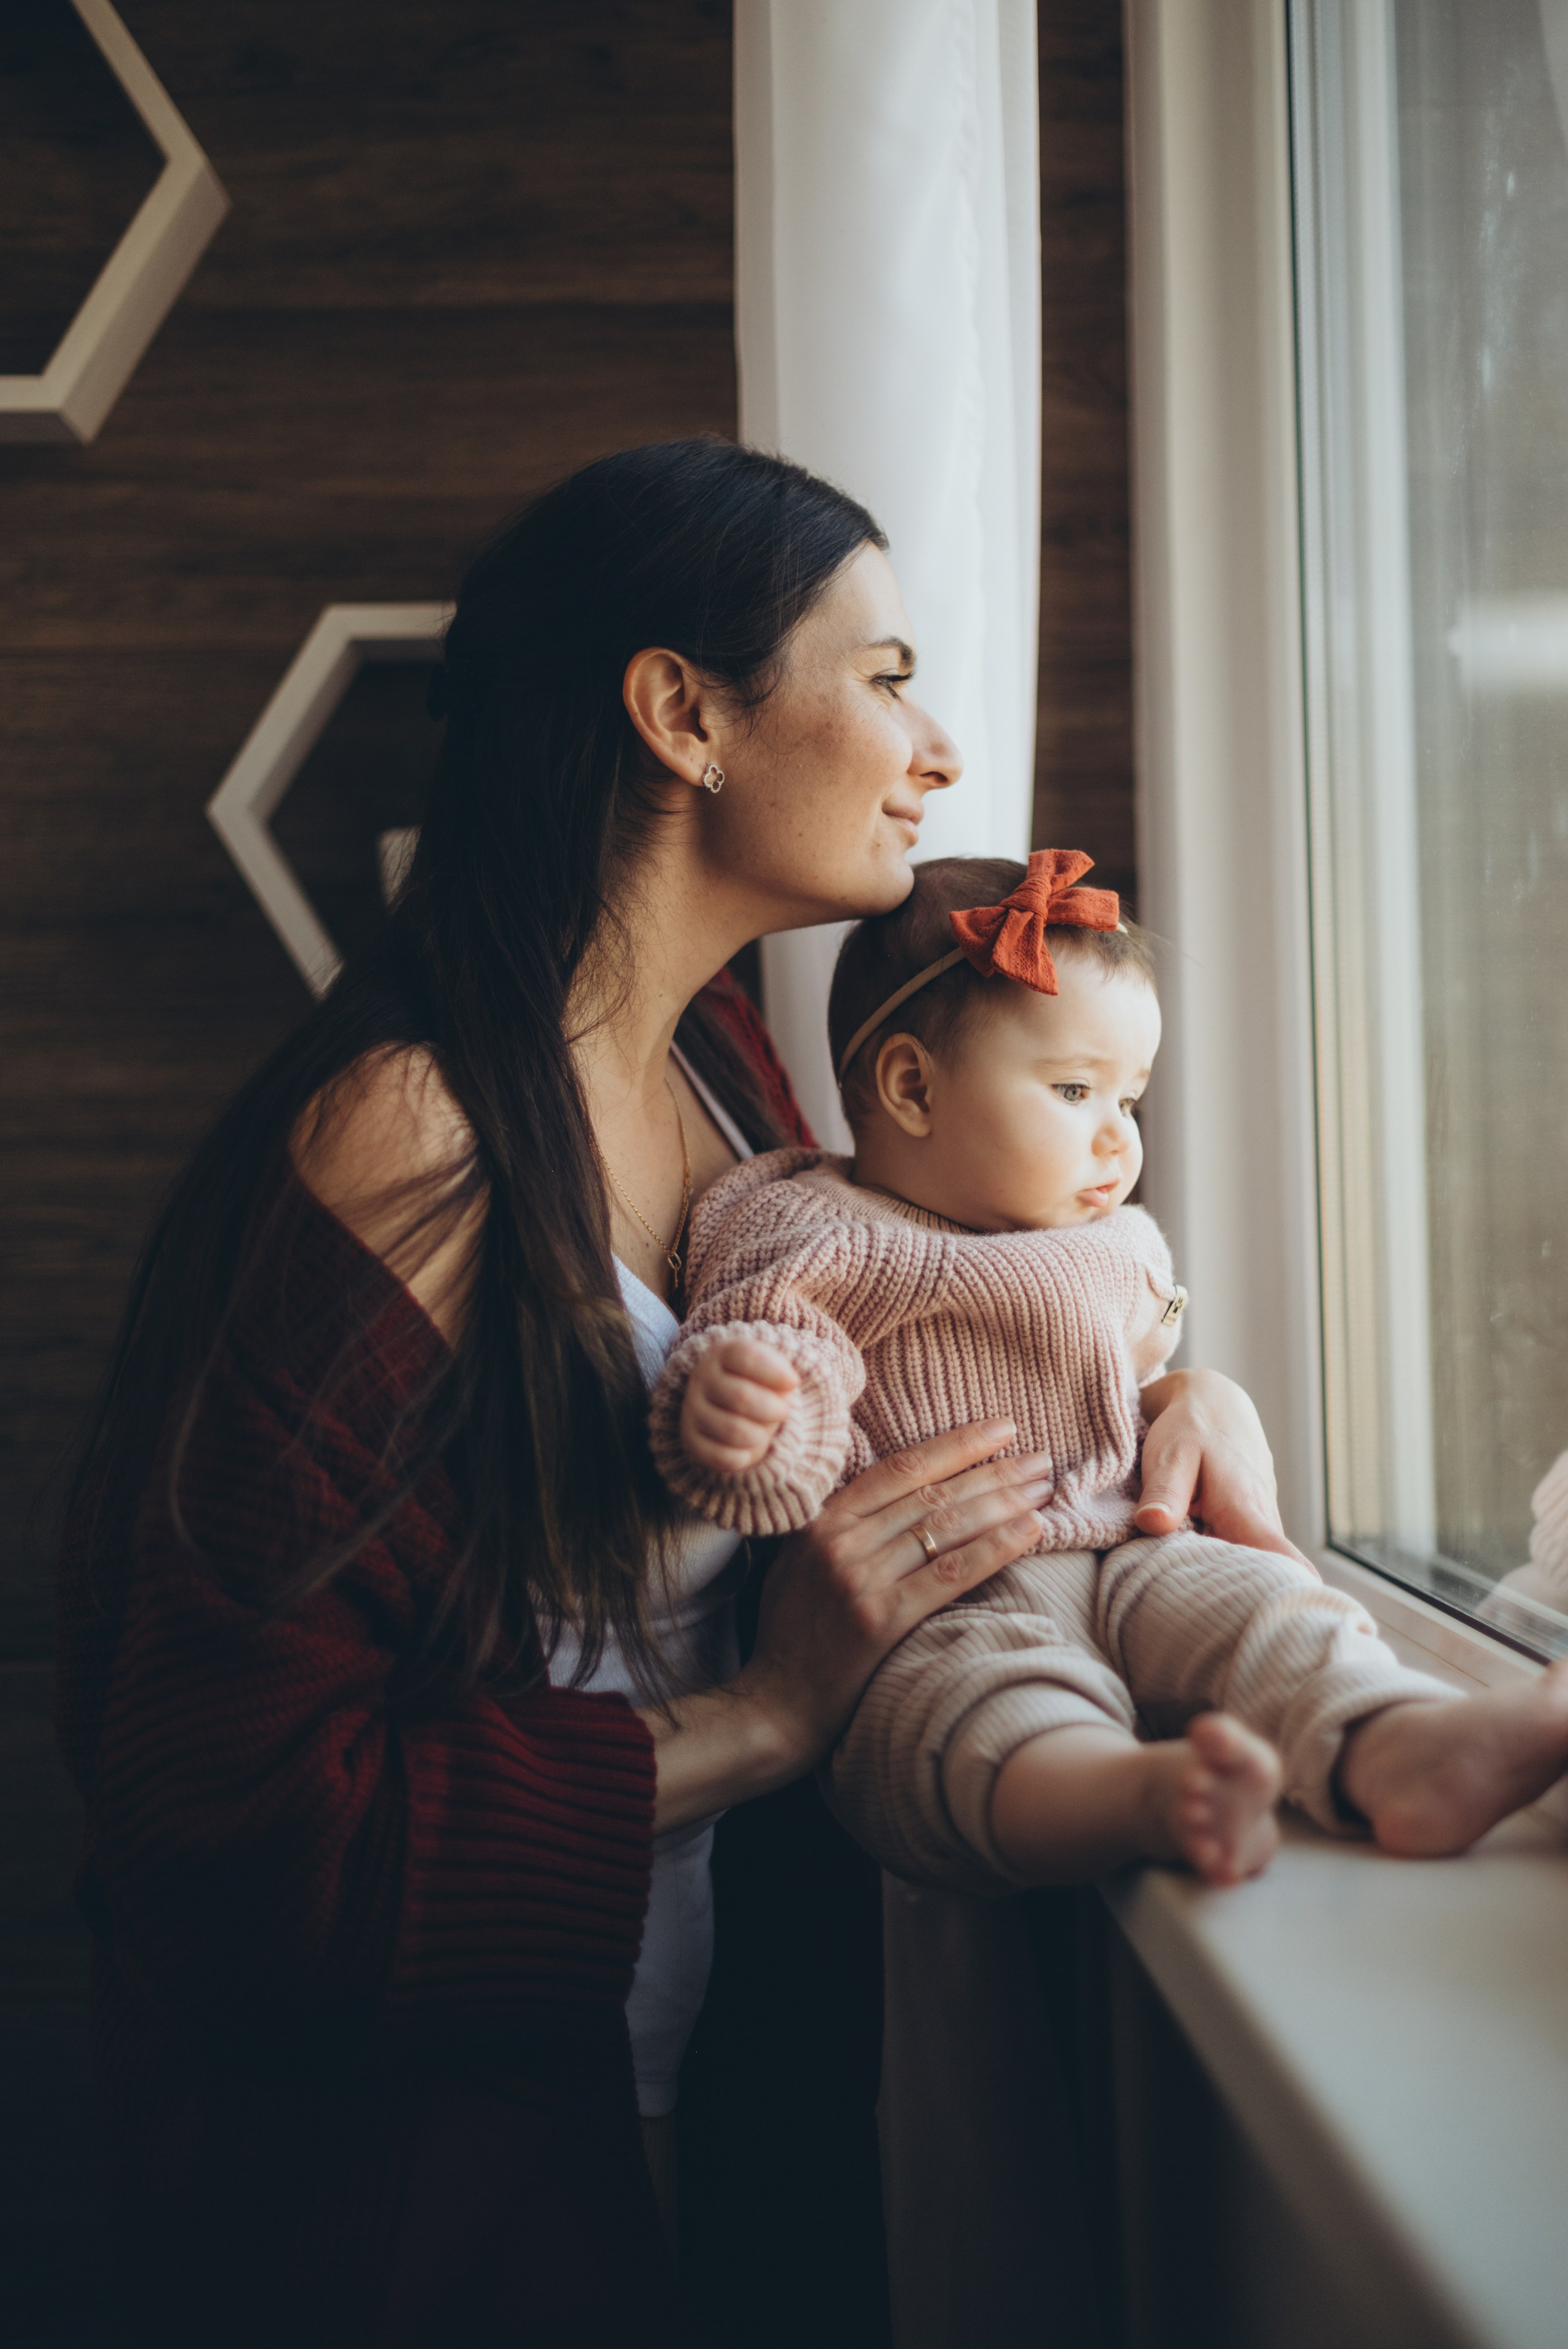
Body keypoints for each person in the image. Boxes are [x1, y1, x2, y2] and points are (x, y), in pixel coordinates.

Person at [56, 441, 1311, 2348]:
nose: (940, 745)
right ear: (682, 714)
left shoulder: (727, 1073)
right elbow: (226, 1829)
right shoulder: (417, 1139)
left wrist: (1164, 1392)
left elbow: (897, 1344)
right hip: (431, 2190)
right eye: (884, 675)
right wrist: (776, 1707)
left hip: (691, 2078)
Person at [652, 851, 1568, 1895]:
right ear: (912, 1087)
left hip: (1136, 1544)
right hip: (934, 1597)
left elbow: (1140, 1364)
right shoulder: (811, 1222)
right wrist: (745, 1414)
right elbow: (780, 1351)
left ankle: (1397, 1745)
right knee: (968, 1713)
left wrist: (1188, 1388)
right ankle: (1132, 1797)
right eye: (1076, 1089)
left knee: (1270, 1608)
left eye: (1130, 1100)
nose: (1118, 1141)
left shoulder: (1108, 1237)